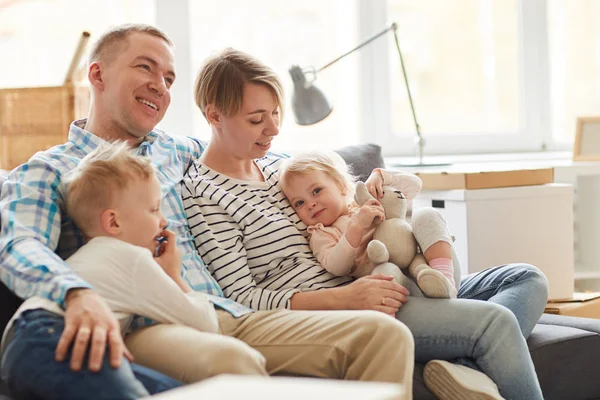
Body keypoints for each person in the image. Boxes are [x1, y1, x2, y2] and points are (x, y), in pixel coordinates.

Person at [0, 24, 415, 400]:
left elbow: (265, 155)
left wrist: (352, 185)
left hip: (231, 310)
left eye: (168, 78)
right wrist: (74, 293)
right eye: (146, 68)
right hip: (152, 321)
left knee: (385, 336)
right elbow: (18, 246)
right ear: (98, 75)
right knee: (231, 362)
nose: (160, 86)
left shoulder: (179, 151)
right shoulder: (49, 169)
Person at [181, 47, 548, 400]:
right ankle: (466, 359)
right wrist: (345, 297)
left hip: (383, 274)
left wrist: (377, 193)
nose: (273, 129)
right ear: (214, 116)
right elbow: (241, 299)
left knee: (526, 278)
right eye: (257, 119)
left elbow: (347, 201)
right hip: (358, 303)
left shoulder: (279, 167)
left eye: (276, 114)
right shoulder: (204, 194)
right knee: (495, 323)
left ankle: (463, 368)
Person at [2, 141, 269, 386]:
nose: (163, 221)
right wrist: (174, 275)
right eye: (154, 209)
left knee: (168, 389)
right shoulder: (133, 260)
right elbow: (205, 323)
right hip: (51, 335)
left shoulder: (93, 255)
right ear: (114, 222)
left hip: (27, 336)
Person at [278, 150, 457, 299]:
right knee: (384, 272)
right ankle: (418, 297)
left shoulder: (363, 200)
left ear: (340, 185)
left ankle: (446, 282)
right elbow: (336, 266)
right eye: (299, 203)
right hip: (402, 285)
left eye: (316, 191)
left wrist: (380, 176)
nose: (310, 204)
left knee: (426, 214)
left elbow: (415, 186)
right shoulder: (321, 234)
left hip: (430, 263)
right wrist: (357, 226)